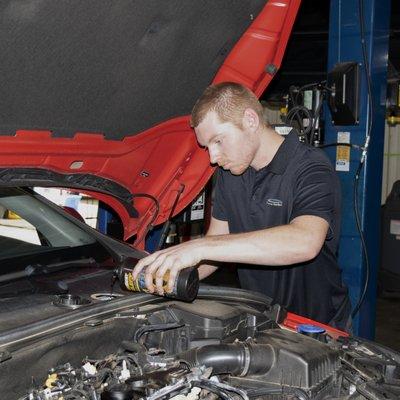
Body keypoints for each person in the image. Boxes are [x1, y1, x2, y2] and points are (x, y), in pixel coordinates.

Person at [132, 82, 351, 330]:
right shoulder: (230, 175)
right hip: (263, 320)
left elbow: (305, 242)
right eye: (207, 148)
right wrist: (165, 277)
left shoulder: (311, 169)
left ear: (250, 120)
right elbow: (215, 248)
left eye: (218, 141)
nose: (213, 158)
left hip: (316, 326)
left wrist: (200, 246)